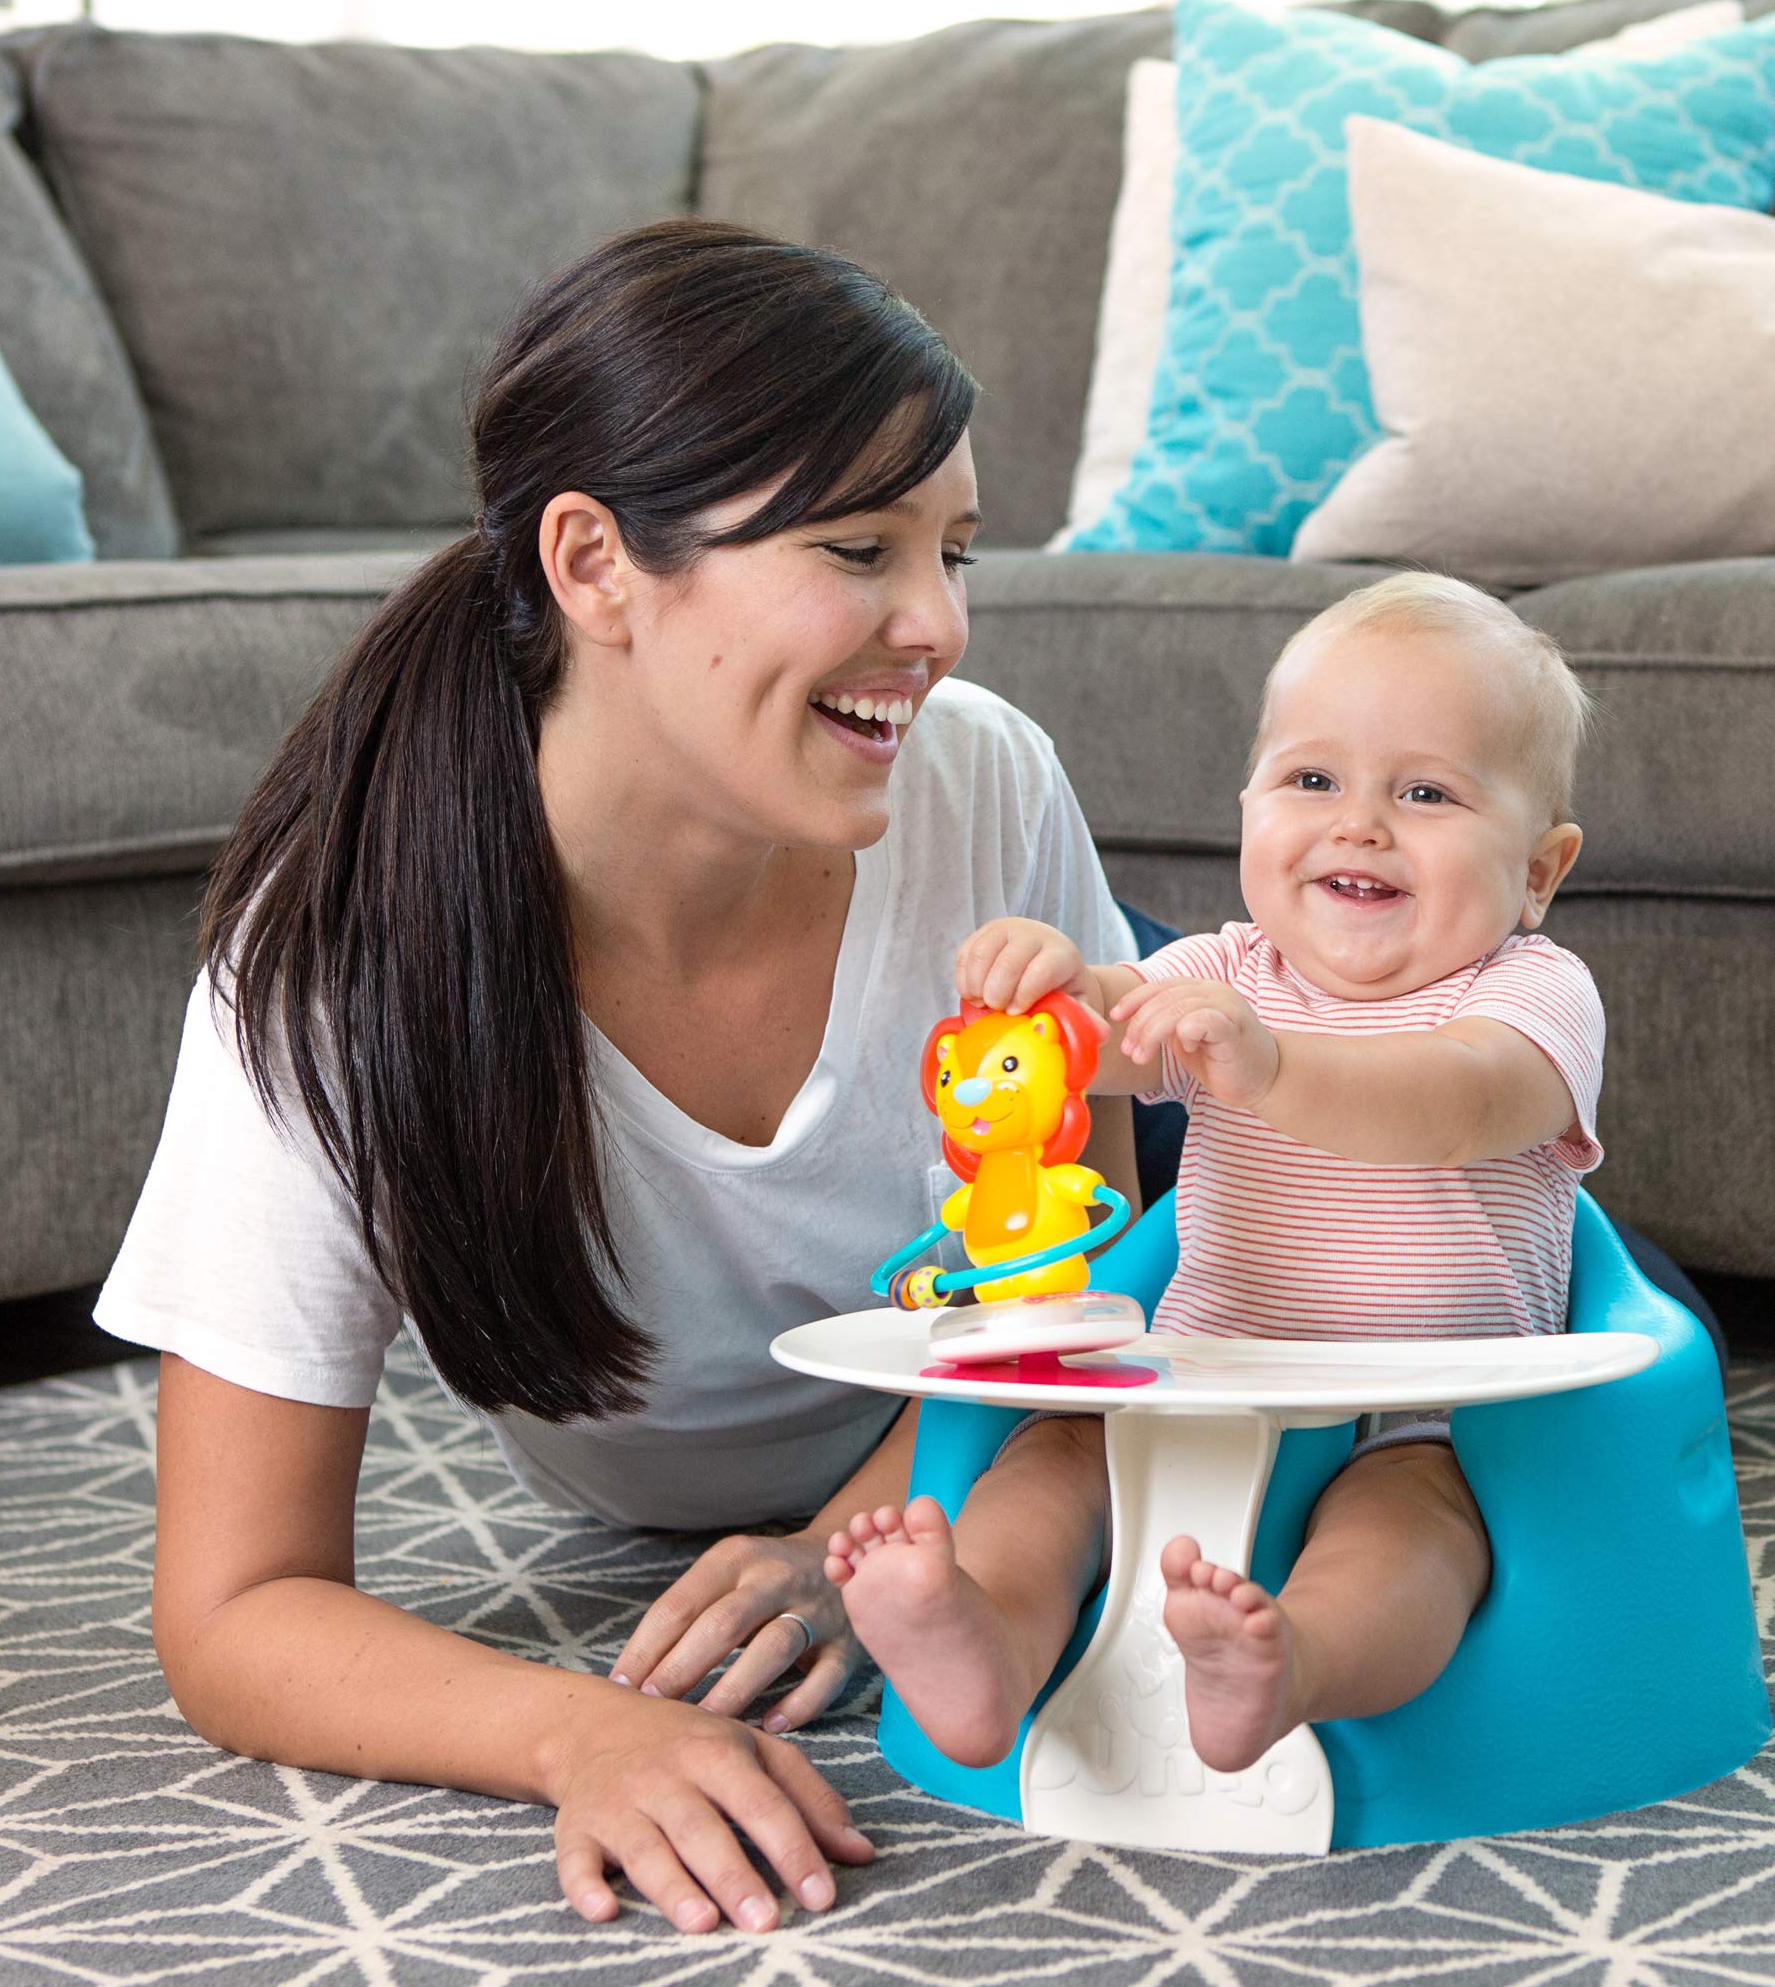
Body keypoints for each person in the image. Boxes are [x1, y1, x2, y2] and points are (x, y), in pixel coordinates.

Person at [92, 221, 1142, 1936]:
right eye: (859, 548)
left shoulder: (984, 787)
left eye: (955, 551)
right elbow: (235, 1604)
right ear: (593, 565)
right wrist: (580, 1732)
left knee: (1395, 1175)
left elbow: (1090, 1306)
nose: (938, 626)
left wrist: (865, 1527)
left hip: (1022, 1214)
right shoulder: (338, 955)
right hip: (643, 1468)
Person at [823, 572, 1605, 1779]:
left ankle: (1289, 1663)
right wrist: (1055, 986)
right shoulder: (1224, 968)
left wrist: (1272, 1064)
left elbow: (1452, 1106)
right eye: (1310, 780)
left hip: (1423, 1407)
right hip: (1197, 1373)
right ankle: (980, 1637)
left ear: (1539, 869)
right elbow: (1109, 1031)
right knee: (1051, 1456)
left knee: (1417, 1537)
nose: (1358, 823)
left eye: (1425, 792)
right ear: (1246, 807)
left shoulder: (1528, 991)